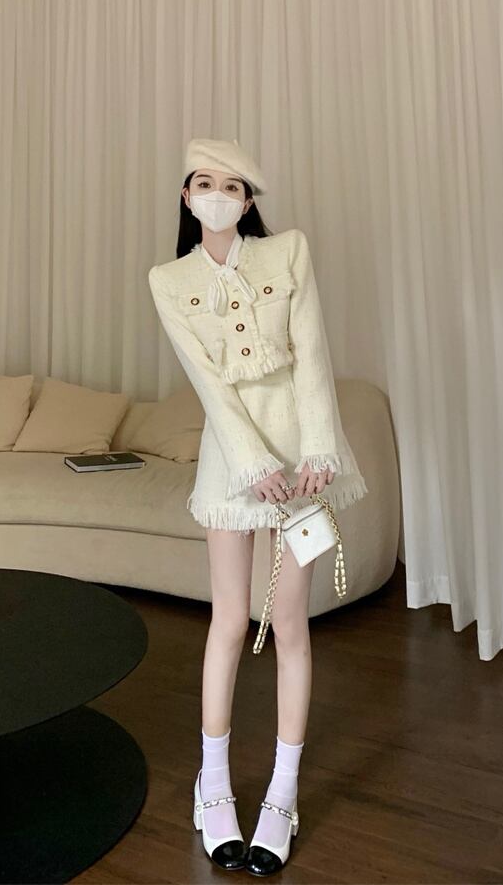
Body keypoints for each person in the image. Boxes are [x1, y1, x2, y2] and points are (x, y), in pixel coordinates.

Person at [148, 137, 368, 876]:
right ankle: (212, 788)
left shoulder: (288, 254)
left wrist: (319, 451)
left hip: (303, 465)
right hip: (233, 465)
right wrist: (251, 464)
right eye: (203, 183)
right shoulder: (169, 280)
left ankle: (282, 793)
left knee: (292, 626)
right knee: (231, 621)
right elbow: (209, 385)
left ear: (248, 202)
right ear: (186, 197)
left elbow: (313, 356)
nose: (216, 196)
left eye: (231, 186)